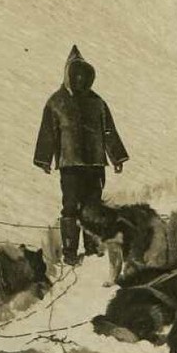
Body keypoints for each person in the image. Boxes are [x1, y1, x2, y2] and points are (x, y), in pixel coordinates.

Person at [33, 44, 129, 264]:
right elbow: (48, 132)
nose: (80, 80)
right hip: (71, 165)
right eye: (76, 75)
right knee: (71, 206)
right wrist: (44, 159)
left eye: (84, 76)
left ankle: (93, 245)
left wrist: (117, 157)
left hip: (95, 163)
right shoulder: (57, 102)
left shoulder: (97, 103)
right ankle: (69, 251)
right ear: (68, 75)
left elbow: (109, 131)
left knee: (93, 205)